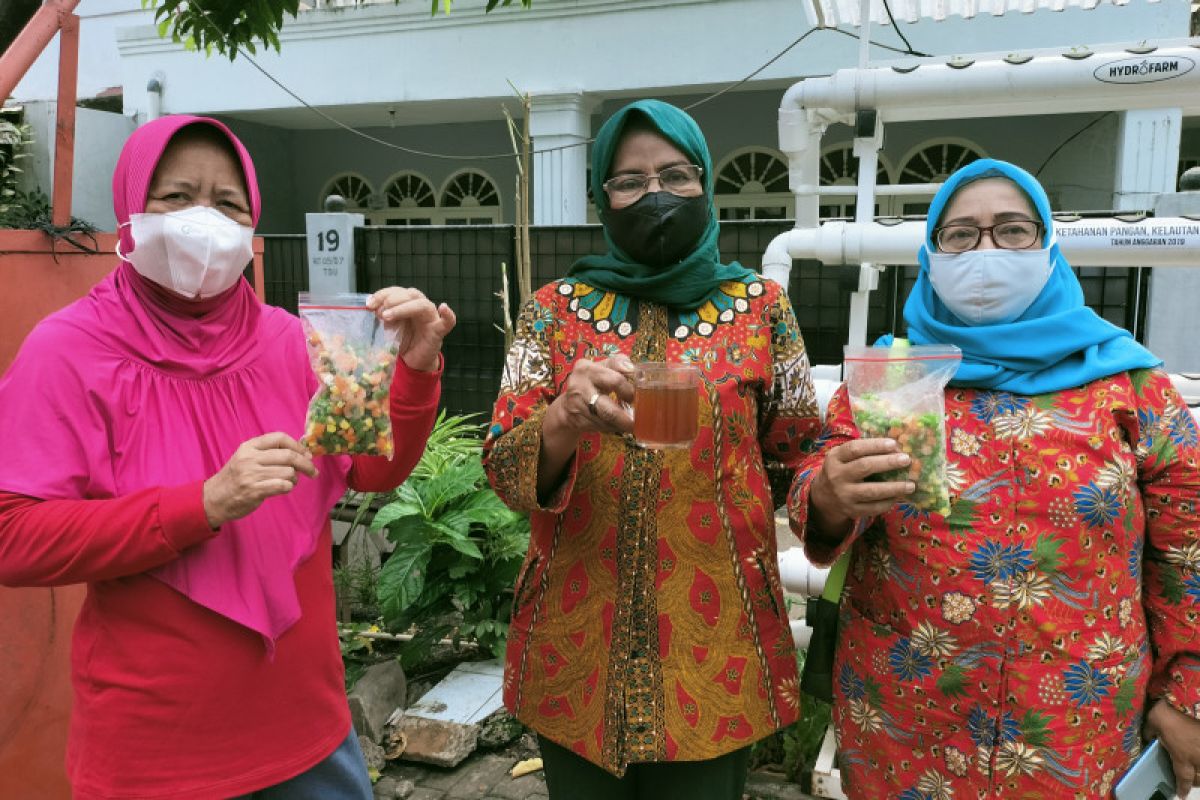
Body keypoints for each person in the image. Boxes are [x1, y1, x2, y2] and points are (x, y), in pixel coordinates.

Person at [0, 115, 456, 799]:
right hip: (156, 754)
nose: (202, 220)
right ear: (131, 209)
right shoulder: (66, 350)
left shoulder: (294, 339)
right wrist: (202, 505)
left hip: (310, 735)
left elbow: (369, 468)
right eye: (177, 197)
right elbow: (12, 536)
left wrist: (416, 372)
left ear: (253, 227)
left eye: (228, 203)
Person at [788, 158, 1200, 798]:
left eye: (1012, 231)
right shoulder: (895, 377)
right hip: (904, 716)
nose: (986, 251)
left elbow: (1190, 555)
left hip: (1076, 727)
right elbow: (820, 488)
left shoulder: (1131, 389)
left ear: (1048, 247)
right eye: (960, 235)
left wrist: (1187, 695)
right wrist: (827, 494)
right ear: (931, 254)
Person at [482, 99, 822, 800]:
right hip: (575, 642)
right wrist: (562, 421)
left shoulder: (762, 309)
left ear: (706, 185)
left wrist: (838, 493)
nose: (655, 194)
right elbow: (504, 468)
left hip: (715, 641)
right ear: (601, 198)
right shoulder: (551, 311)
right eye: (629, 181)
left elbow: (800, 454)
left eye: (675, 174)